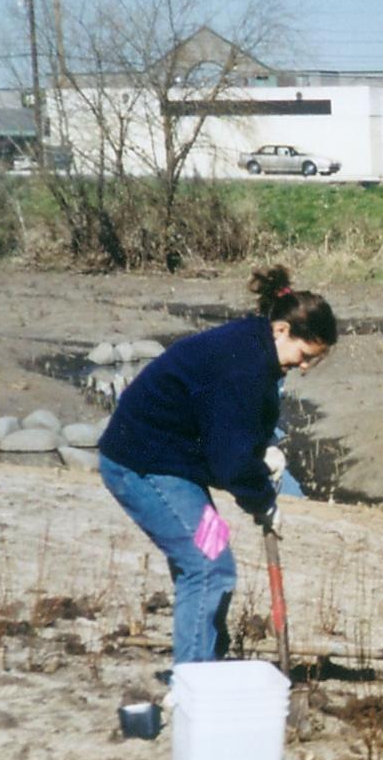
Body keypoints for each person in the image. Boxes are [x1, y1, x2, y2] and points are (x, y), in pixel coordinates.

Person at [98, 265, 336, 670]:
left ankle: (207, 662)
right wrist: (262, 499)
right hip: (141, 464)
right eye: (305, 355)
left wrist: (265, 450)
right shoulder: (244, 365)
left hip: (174, 465)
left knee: (211, 557)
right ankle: (193, 684)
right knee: (209, 567)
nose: (305, 367)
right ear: (281, 330)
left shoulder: (255, 349)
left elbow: (242, 425)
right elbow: (230, 461)